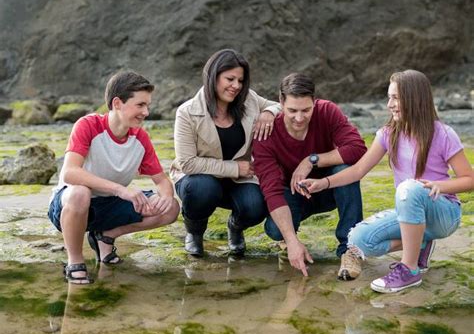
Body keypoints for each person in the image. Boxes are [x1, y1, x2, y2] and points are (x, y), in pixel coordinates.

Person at [300, 69, 474, 293]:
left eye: (395, 98)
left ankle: (409, 269)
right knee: (357, 239)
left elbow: (469, 179)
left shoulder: (443, 134)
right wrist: (323, 183)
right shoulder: (387, 134)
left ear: (414, 99)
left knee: (409, 188)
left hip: (444, 213)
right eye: (389, 97)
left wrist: (440, 186)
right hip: (411, 211)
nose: (389, 104)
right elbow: (357, 170)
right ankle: (420, 242)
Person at [48, 71, 180, 284]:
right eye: (140, 105)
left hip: (109, 207)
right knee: (80, 192)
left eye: (147, 105)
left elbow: (163, 180)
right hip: (69, 205)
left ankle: (105, 236)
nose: (146, 112)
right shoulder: (88, 125)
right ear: (117, 103)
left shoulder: (140, 138)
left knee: (172, 207)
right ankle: (75, 261)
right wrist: (120, 189)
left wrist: (165, 195)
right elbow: (70, 173)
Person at [253, 73, 367, 277]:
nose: (299, 118)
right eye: (292, 110)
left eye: (306, 110)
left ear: (314, 102)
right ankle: (289, 242)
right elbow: (271, 189)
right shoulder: (266, 134)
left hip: (329, 187)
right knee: (275, 230)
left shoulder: (327, 111)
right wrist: (292, 241)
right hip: (294, 194)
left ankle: (350, 248)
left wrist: (311, 160)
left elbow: (357, 148)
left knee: (345, 169)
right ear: (280, 102)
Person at [170, 49, 281, 257]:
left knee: (256, 206)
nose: (236, 86)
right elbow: (187, 163)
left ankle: (235, 227)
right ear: (213, 76)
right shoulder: (187, 112)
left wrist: (268, 112)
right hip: (200, 178)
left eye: (240, 80)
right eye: (230, 79)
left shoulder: (249, 99)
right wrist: (234, 168)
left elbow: (281, 105)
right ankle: (194, 232)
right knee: (201, 189)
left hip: (238, 180)